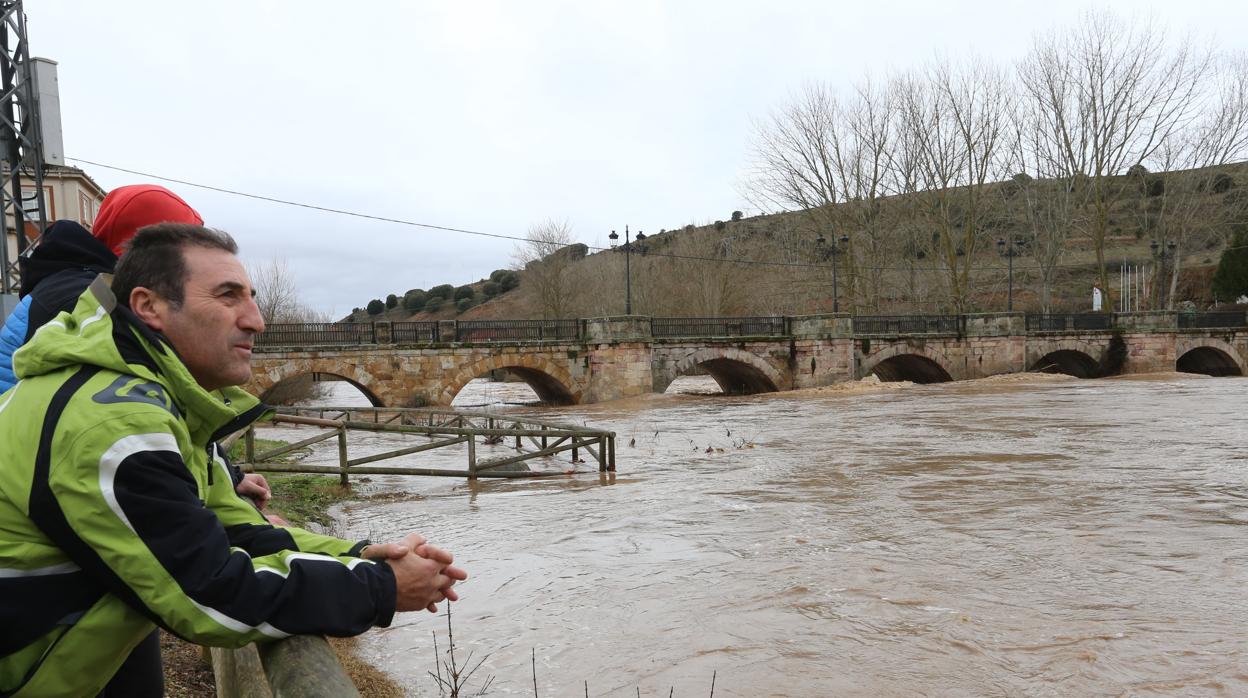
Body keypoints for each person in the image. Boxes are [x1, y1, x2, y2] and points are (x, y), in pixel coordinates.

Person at [0, 223, 467, 696]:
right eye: (228, 297)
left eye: (251, 297)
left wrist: (359, 554)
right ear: (149, 306)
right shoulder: (112, 426)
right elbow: (210, 591)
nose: (256, 320)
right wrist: (381, 587)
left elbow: (236, 529)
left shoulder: (154, 404)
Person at [0, 184, 274, 510]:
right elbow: (131, 419)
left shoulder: (88, 289)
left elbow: (176, 408)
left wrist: (230, 475)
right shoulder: (87, 299)